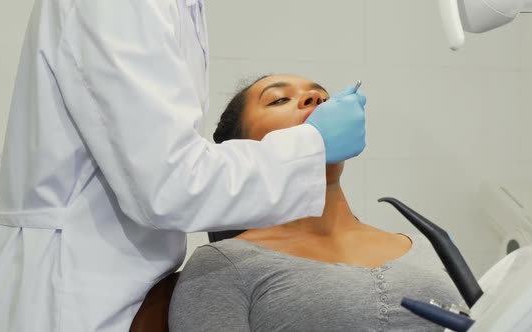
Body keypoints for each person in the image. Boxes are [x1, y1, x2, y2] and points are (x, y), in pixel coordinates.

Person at [0, 1, 368, 331]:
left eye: (320, 95)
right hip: (64, 297)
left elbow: (42, 144)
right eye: (278, 99)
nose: (313, 102)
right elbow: (167, 184)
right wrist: (311, 146)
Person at [169, 74, 464, 332]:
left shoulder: (429, 247)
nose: (317, 97)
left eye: (322, 95)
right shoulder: (221, 266)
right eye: (279, 99)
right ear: (241, 151)